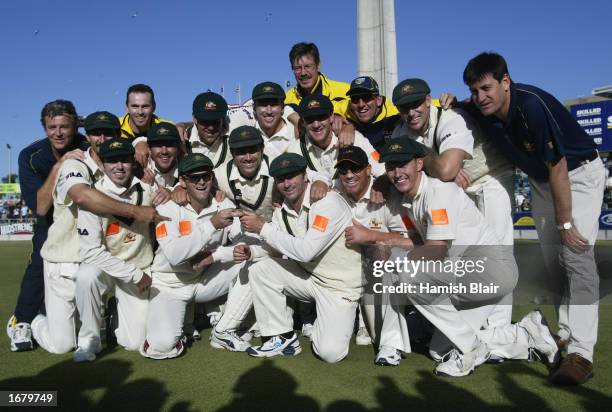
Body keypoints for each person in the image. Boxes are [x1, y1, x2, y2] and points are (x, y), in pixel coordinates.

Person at [463, 52, 606, 385]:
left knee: (577, 258)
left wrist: (566, 223)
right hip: (543, 181)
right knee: (554, 263)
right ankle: (566, 336)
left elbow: (558, 166)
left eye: (486, 88)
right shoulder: (478, 107)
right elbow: (449, 108)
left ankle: (581, 354)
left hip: (577, 175)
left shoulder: (530, 106)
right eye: (474, 91)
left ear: (505, 82)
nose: (480, 97)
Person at [379, 137, 558, 377]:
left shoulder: (439, 192)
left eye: (403, 164)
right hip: (467, 274)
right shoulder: (413, 198)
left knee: (405, 272)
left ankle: (472, 348)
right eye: (391, 166)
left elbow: (437, 250)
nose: (397, 172)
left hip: (488, 272)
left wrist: (398, 259)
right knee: (438, 351)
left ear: (419, 164)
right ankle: (526, 334)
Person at [390, 78, 516, 343]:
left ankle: (499, 329)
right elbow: (433, 171)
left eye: (416, 104)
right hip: (452, 191)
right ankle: (466, 322)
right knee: (456, 260)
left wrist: (432, 162)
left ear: (428, 101)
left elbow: (446, 170)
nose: (410, 112)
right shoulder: (402, 132)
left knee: (498, 253)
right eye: (404, 108)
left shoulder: (449, 117)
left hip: (488, 178)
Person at [30, 111, 164, 354]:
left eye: (108, 133)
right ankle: (36, 321)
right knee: (63, 345)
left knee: (134, 342)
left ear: (118, 135)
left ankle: (109, 318)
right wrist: (136, 211)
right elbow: (83, 197)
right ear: (86, 135)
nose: (102, 138)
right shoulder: (75, 163)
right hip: (65, 256)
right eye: (95, 132)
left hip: (105, 256)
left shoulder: (124, 165)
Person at [239, 153, 364, 363]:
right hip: (310, 280)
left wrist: (262, 227)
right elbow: (274, 247)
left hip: (340, 288)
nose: (287, 184)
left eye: (292, 176)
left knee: (329, 354)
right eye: (281, 179)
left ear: (305, 176)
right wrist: (251, 252)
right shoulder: (283, 211)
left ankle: (340, 320)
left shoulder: (328, 203)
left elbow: (306, 252)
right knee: (260, 269)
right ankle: (282, 336)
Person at [140, 153, 243, 359]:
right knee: (162, 346)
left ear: (212, 177)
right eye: (194, 178)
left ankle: (224, 329)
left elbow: (244, 242)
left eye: (206, 176)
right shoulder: (166, 206)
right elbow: (175, 255)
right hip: (170, 284)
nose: (202, 182)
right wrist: (212, 224)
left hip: (203, 281)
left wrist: (216, 256)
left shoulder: (222, 203)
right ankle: (184, 324)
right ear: (183, 181)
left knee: (253, 263)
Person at [7, 100, 88, 352]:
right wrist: (59, 165)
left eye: (64, 126)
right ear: (44, 128)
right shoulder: (31, 156)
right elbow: (40, 208)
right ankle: (20, 321)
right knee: (39, 266)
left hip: (85, 217)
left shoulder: (88, 145)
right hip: (50, 221)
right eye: (52, 127)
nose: (58, 132)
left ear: (74, 125)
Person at [74, 138, 156, 362]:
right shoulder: (93, 197)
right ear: (102, 164)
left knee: (136, 342)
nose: (119, 166)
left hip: (140, 266)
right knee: (86, 275)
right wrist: (133, 274)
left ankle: (112, 316)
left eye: (124, 160)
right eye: (112, 161)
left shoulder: (148, 190)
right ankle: (89, 340)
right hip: (108, 269)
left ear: (132, 162)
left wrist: (173, 190)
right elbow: (90, 253)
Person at [334, 146, 416, 365]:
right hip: (344, 274)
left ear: (369, 169)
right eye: (343, 170)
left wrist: (370, 236)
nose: (349, 175)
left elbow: (409, 241)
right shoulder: (334, 193)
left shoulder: (387, 194)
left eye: (355, 168)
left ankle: (391, 343)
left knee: (386, 252)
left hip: (378, 273)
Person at [287, 94, 385, 185]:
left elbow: (382, 171)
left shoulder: (353, 138)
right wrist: (318, 179)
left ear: (331, 117)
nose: (316, 125)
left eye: (321, 117)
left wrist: (379, 186)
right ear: (303, 122)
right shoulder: (297, 147)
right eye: (310, 119)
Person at [284, 42, 355, 142]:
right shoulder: (285, 99)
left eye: (308, 66)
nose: (303, 73)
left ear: (318, 66)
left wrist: (349, 125)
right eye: (297, 68)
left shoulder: (346, 91)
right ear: (292, 69)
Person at [119, 84, 173, 166]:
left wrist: (181, 126)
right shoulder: (115, 126)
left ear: (154, 107)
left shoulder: (167, 127)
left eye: (145, 106)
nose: (140, 112)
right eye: (135, 106)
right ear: (127, 108)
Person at [345, 76, 401, 149]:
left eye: (366, 97)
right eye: (355, 99)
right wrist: (344, 124)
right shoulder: (346, 107)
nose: (361, 104)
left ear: (379, 100)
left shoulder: (396, 118)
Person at [181, 92, 231, 167]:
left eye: (215, 121)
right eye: (205, 121)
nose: (211, 127)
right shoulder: (182, 141)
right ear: (194, 118)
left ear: (223, 119)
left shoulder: (232, 129)